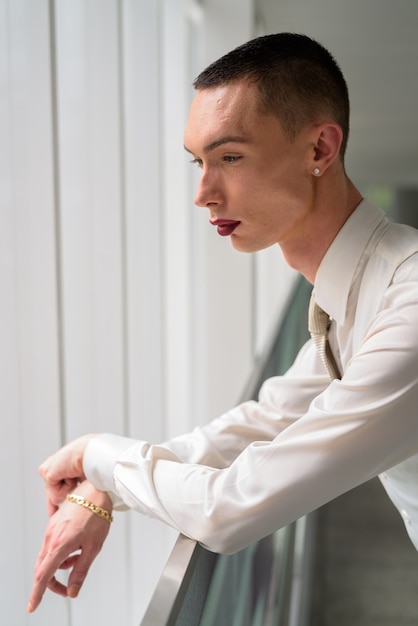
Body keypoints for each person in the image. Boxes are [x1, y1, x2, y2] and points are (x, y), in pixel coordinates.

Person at [27, 32, 418, 613]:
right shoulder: (355, 293)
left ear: (320, 150)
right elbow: (265, 424)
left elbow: (233, 508)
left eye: (230, 157)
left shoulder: (405, 303)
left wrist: (99, 455)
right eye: (198, 162)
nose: (203, 194)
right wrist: (100, 488)